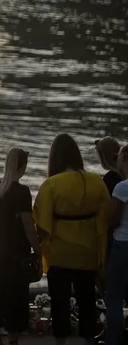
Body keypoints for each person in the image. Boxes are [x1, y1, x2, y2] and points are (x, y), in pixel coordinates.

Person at [34, 134, 111, 345]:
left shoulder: (51, 185)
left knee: (60, 302)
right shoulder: (96, 181)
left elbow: (41, 225)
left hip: (60, 254)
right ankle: (89, 339)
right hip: (87, 252)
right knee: (87, 300)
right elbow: (106, 219)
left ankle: (61, 343)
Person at [0, 148, 39, 345]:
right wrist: (39, 250)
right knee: (17, 294)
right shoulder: (23, 192)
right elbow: (28, 226)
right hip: (18, 250)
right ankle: (13, 340)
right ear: (22, 167)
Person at [105, 145, 128, 345]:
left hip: (122, 245)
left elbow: (113, 219)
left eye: (119, 157)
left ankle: (112, 339)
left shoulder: (122, 187)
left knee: (114, 294)